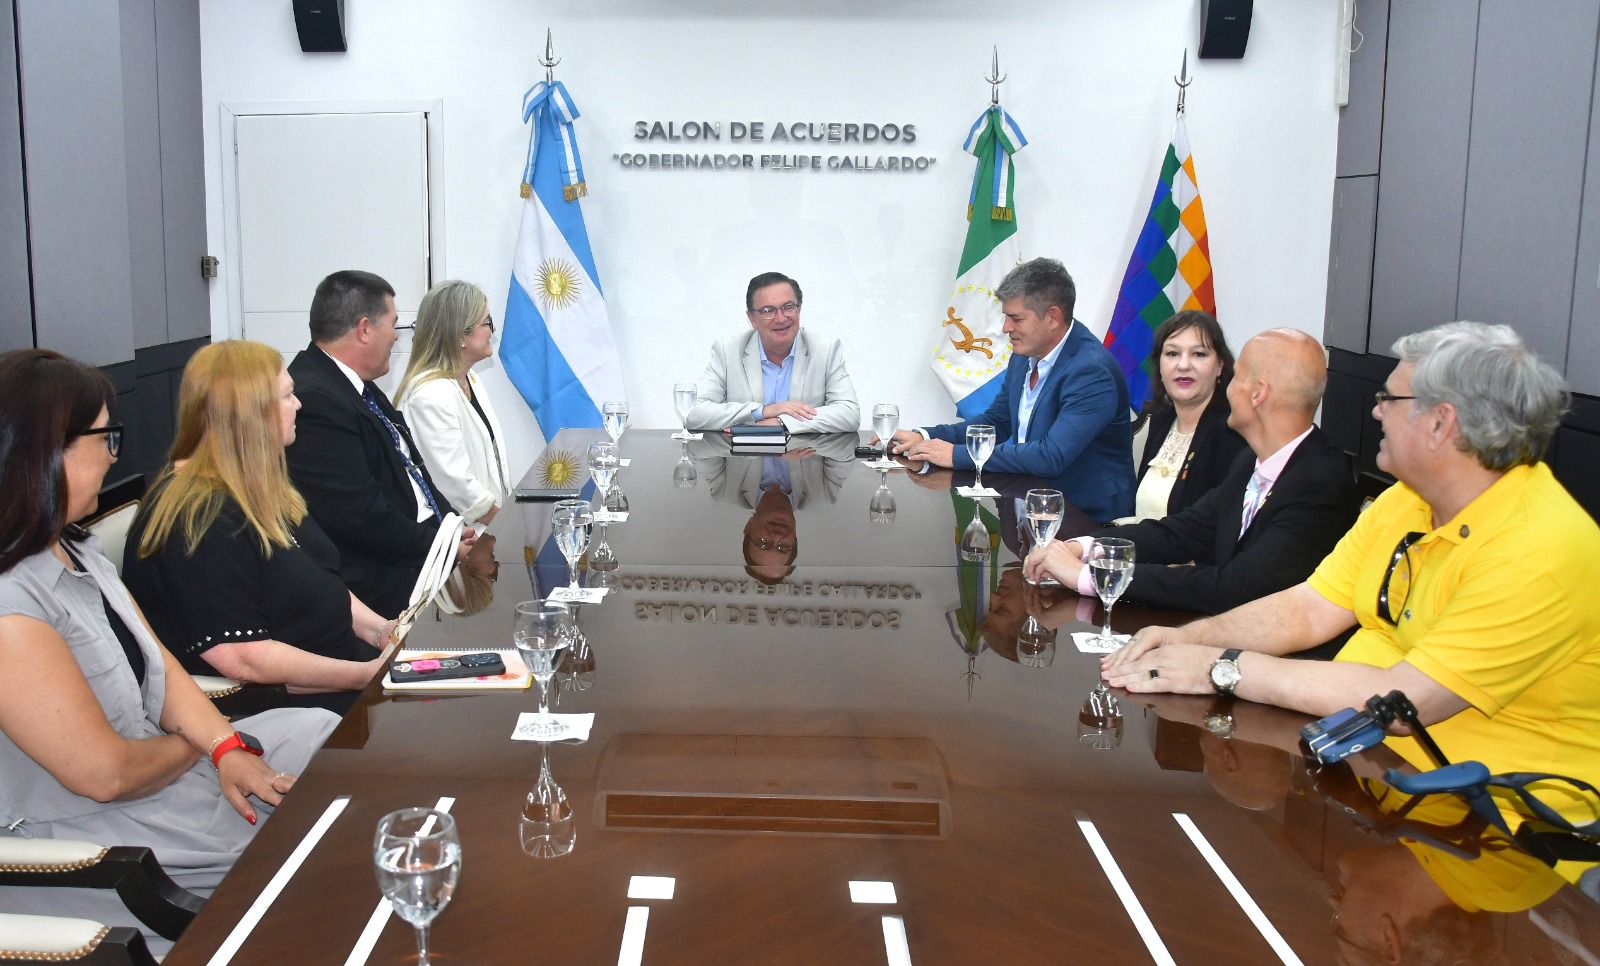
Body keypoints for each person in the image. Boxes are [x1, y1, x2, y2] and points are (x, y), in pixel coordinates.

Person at [1102, 322, 1600, 796]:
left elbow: (1404, 704)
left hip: (1493, 826)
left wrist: (1219, 668)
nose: (1376, 411)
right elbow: (1308, 608)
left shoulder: (1538, 549)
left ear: (1440, 422)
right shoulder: (1406, 500)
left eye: (1389, 399)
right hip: (1370, 769)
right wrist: (1189, 637)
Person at [0, 349, 338, 953]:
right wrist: (205, 747)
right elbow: (106, 774)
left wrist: (227, 745)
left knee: (321, 737)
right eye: (106, 438)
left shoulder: (74, 551)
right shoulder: (10, 608)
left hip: (160, 775)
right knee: (319, 825)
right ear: (44, 450)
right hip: (97, 832)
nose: (114, 456)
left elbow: (167, 671)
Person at [123, 341, 394, 713]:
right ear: (250, 415)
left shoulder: (253, 487)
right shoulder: (197, 521)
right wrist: (364, 675)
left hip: (340, 674)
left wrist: (382, 631)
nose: (299, 405)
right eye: (288, 396)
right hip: (291, 707)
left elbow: (321, 580)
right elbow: (243, 658)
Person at [1025, 329, 1359, 615]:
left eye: (1237, 377)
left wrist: (1091, 577)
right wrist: (1085, 547)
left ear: (1257, 394)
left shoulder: (1319, 482)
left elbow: (1236, 587)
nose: (1228, 388)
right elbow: (1181, 532)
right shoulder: (1251, 461)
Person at [888, 258, 1135, 523]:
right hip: (1029, 511)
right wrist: (924, 436)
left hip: (1088, 523)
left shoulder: (1091, 372)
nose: (1006, 328)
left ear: (1052, 317)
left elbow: (1051, 456)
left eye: (1016, 319)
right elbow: (997, 423)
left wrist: (955, 454)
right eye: (1006, 317)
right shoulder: (1024, 356)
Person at [285, 270, 471, 617]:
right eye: (394, 325)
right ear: (365, 328)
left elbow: (414, 473)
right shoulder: (315, 400)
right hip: (380, 583)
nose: (397, 339)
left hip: (420, 555)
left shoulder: (356, 385)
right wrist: (442, 546)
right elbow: (360, 517)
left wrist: (455, 528)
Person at [394, 280, 512, 527]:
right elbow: (454, 484)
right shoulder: (430, 395)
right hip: (461, 541)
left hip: (485, 530)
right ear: (460, 336)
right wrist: (508, 524)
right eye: (486, 322)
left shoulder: (471, 379)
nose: (492, 330)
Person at [684, 271, 861, 434]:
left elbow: (849, 414)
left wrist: (782, 422)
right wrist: (764, 411)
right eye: (768, 311)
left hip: (805, 459)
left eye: (788, 307)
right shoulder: (728, 351)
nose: (781, 318)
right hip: (743, 462)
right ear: (752, 318)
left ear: (799, 309)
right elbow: (693, 413)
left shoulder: (825, 350)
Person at [1124, 310, 1246, 523]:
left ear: (1220, 365)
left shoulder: (1231, 432)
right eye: (1172, 354)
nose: (1183, 365)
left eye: (1199, 354)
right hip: (1146, 551)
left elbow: (1217, 525)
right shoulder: (1162, 419)